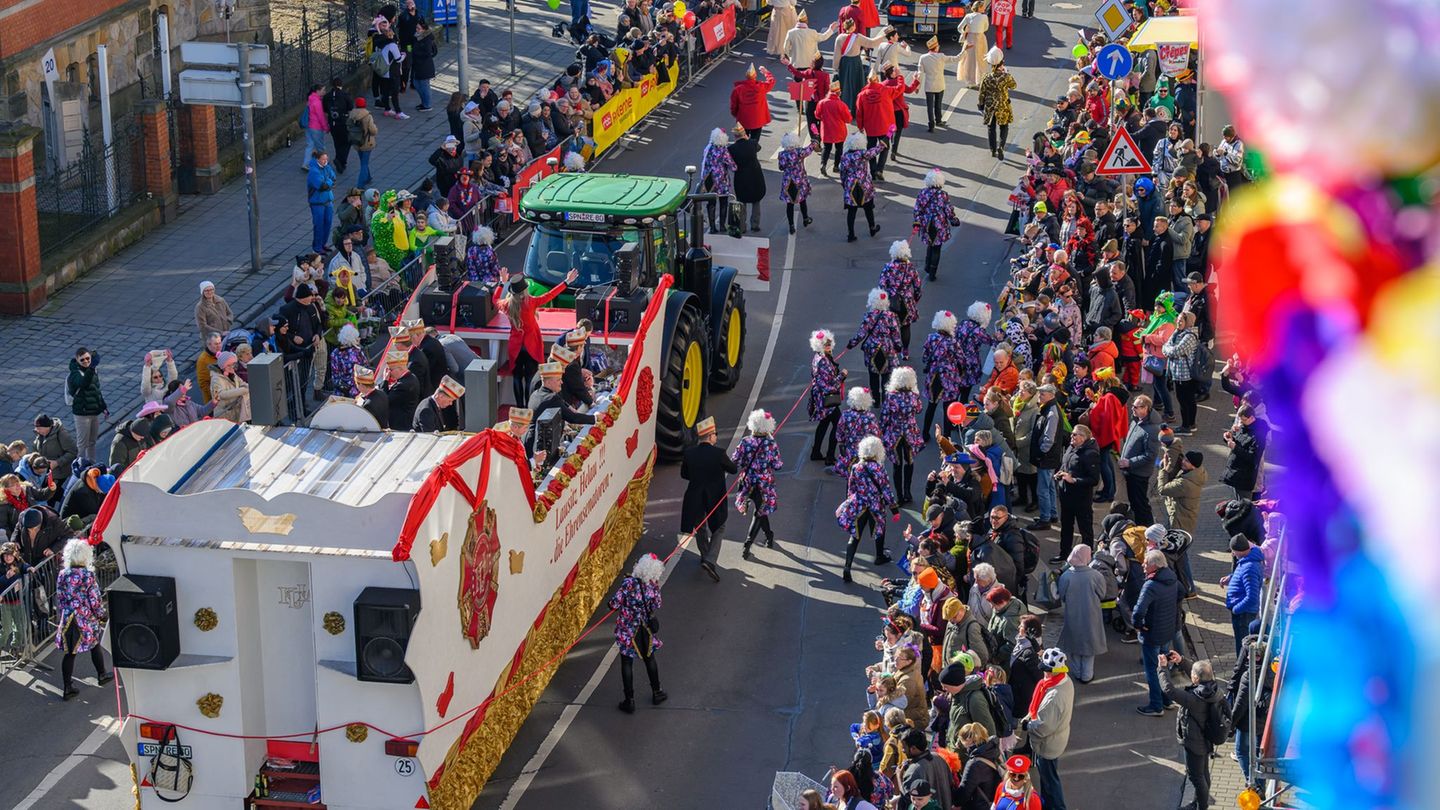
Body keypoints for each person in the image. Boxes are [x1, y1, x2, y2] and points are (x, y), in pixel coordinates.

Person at [496, 268, 580, 406]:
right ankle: (530, 406)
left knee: (517, 377)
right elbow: (551, 294)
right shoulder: (531, 302)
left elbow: (495, 299)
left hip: (515, 346)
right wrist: (566, 281)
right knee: (530, 378)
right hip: (531, 346)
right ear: (525, 290)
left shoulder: (506, 305)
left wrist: (501, 283)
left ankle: (520, 407)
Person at [1159, 653, 1224, 810]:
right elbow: (1198, 675)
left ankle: (1201, 806)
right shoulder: (1213, 688)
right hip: (1206, 738)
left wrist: (1162, 669)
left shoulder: (1194, 699)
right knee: (1203, 772)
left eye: (1193, 675)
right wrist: (1181, 661)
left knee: (1196, 777)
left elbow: (1169, 690)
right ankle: (1201, 802)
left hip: (1194, 742)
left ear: (1196, 679)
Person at [53, 538, 112, 700]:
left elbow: (60, 596)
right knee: (94, 645)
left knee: (70, 653)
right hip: (86, 618)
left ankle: (67, 687)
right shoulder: (88, 575)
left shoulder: (63, 574)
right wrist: (102, 615)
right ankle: (102, 675)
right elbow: (94, 599)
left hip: (68, 617)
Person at [609, 553, 667, 713]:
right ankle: (657, 692)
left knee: (626, 663)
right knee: (650, 659)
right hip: (644, 629)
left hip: (627, 629)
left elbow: (614, 603)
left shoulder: (628, 583)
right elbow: (657, 604)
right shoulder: (653, 586)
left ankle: (629, 700)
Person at [837, 436, 899, 582]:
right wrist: (894, 509)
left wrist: (850, 503)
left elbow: (851, 487)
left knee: (855, 536)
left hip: (859, 505)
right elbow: (886, 490)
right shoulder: (879, 468)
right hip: (875, 506)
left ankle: (847, 566)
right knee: (879, 530)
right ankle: (879, 556)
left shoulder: (856, 467)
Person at [681, 417, 734, 582]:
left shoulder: (689, 453)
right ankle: (710, 560)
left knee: (700, 527)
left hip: (695, 496)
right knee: (719, 527)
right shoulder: (719, 453)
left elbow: (684, 474)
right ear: (710, 436)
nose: (716, 437)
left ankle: (705, 556)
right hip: (715, 497)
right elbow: (732, 469)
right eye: (715, 434)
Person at [1020, 647, 1073, 810]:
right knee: (1049, 778)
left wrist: (1027, 725)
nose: (1044, 674)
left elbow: (1043, 727)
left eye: (1047, 671)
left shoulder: (1053, 696)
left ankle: (1057, 807)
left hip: (1048, 743)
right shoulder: (1064, 681)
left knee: (1050, 781)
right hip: (1057, 738)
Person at [1134, 549, 1181, 716]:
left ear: (1154, 566)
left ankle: (1156, 705)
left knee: (1152, 670)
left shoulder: (1151, 585)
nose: (1143, 565)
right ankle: (1166, 699)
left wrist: (1138, 625)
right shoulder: (1172, 579)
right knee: (1163, 667)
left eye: (1146, 563)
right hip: (1166, 631)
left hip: (1152, 633)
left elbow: (1139, 611)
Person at [733, 410, 783, 558]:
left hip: (749, 482)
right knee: (760, 511)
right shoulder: (770, 443)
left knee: (761, 511)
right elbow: (778, 465)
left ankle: (769, 535)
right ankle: (749, 542)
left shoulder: (745, 441)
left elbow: (736, 460)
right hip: (764, 484)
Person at [1056, 544, 1106, 683]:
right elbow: (1102, 594)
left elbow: (1062, 596)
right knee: (1089, 647)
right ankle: (1087, 675)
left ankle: (1077, 672)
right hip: (1092, 615)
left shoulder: (1066, 576)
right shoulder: (1096, 575)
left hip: (1072, 614)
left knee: (1074, 646)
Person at [1055, 424, 1100, 560]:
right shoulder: (1072, 447)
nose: (1071, 437)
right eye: (1072, 434)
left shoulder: (1090, 454)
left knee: (1085, 529)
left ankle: (1087, 558)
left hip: (1081, 499)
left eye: (1074, 434)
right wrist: (1060, 473)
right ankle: (1064, 554)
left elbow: (1093, 479)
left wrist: (1074, 480)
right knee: (1066, 527)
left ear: (1083, 437)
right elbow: (1065, 464)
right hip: (1066, 496)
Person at [848, 288, 904, 398]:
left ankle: (876, 399)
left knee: (873, 375)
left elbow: (861, 333)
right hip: (887, 347)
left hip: (872, 348)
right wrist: (898, 346)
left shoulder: (868, 316)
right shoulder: (891, 316)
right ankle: (885, 398)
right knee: (886, 375)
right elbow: (896, 334)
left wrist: (851, 344)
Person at [881, 367, 923, 505]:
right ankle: (907, 492)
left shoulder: (891, 396)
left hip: (894, 433)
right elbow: (919, 409)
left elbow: (885, 416)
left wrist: (881, 432)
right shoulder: (914, 396)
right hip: (910, 433)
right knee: (909, 462)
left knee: (897, 464)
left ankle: (899, 495)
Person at [1118, 394, 1160, 526]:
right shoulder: (1136, 421)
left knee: (1140, 504)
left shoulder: (1152, 430)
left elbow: (1150, 455)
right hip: (1131, 471)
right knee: (1135, 502)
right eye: (1133, 406)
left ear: (1145, 408)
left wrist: (1130, 462)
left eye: (1136, 407)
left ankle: (1146, 529)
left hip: (1139, 474)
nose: (1133, 409)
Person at [912, 169, 960, 282]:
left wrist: (917, 221)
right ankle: (932, 272)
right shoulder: (943, 195)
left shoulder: (923, 193)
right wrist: (953, 219)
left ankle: (927, 265)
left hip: (926, 224)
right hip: (939, 225)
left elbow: (917, 209)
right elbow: (948, 210)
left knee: (930, 244)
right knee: (937, 248)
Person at [1027, 384, 1063, 531]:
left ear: (1051, 395)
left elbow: (1049, 438)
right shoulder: (1049, 408)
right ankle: (1052, 514)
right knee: (1049, 487)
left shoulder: (1052, 412)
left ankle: (1045, 519)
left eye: (1042, 394)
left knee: (1043, 489)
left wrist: (1041, 453)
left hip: (1047, 458)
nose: (1040, 397)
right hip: (1050, 457)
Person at [808, 330, 847, 465]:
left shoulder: (819, 357)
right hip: (827, 400)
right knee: (838, 424)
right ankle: (830, 456)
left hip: (820, 399)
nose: (829, 346)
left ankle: (816, 452)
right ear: (820, 345)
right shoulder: (823, 361)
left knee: (824, 424)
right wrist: (841, 376)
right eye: (826, 344)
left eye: (829, 343)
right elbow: (827, 386)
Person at [878, 241, 922, 356]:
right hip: (907, 302)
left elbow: (881, 285)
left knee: (891, 326)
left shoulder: (888, 267)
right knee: (906, 326)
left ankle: (893, 351)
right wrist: (915, 298)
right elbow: (917, 286)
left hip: (891, 301)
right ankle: (905, 351)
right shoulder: (911, 268)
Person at [840, 133, 885, 242]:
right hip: (864, 184)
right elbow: (874, 152)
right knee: (868, 209)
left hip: (851, 185)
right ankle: (872, 228)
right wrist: (882, 145)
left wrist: (844, 184)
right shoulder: (863, 154)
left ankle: (851, 234)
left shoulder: (845, 157)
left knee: (851, 212)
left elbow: (842, 173)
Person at [1224, 535, 1264, 657]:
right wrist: (1231, 578)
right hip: (1242, 612)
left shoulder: (1249, 567)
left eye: (1233, 551)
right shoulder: (1247, 561)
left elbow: (1252, 597)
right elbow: (1243, 577)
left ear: (1239, 550)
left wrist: (1236, 609)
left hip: (1243, 614)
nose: (1232, 553)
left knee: (1242, 647)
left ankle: (1241, 671)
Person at [67, 348, 108, 463]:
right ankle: (79, 467)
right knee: (82, 443)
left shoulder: (93, 371)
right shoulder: (75, 373)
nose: (86, 361)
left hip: (94, 412)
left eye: (88, 358)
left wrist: (103, 407)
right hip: (82, 414)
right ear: (77, 360)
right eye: (82, 359)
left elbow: (96, 391)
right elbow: (83, 383)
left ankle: (91, 463)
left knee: (92, 441)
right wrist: (91, 368)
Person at [1222, 405, 1269, 500]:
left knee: (1244, 505)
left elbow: (1253, 458)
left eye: (1243, 420)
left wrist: (1235, 447)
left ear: (1251, 418)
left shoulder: (1258, 436)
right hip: (1235, 473)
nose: (1240, 422)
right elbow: (1240, 441)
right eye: (1240, 420)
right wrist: (1229, 437)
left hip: (1245, 478)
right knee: (1237, 502)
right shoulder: (1244, 426)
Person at [898, 728, 954, 809]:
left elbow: (908, 800)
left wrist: (899, 777)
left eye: (904, 747)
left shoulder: (913, 770)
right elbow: (951, 784)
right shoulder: (939, 757)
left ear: (913, 748)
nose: (903, 750)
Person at [915, 36, 961, 132]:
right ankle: (939, 120)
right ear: (936, 47)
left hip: (929, 86)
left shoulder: (922, 58)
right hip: (940, 85)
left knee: (929, 106)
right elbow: (956, 58)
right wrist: (965, 50)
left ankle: (931, 125)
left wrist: (917, 87)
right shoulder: (941, 56)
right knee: (938, 104)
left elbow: (920, 74)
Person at [1158, 447, 1207, 537]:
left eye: (1187, 461)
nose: (1183, 461)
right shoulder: (1198, 472)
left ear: (1193, 466)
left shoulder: (1184, 484)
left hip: (1179, 520)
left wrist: (1164, 470)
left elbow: (1162, 490)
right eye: (1184, 458)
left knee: (1176, 546)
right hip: (1186, 518)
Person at [978, 47, 1015, 159]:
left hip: (990, 106)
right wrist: (1006, 73)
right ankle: (1001, 147)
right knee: (1004, 126)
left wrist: (980, 105)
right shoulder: (1006, 76)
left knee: (991, 127)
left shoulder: (986, 77)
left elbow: (982, 92)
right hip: (1002, 105)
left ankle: (993, 149)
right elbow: (1013, 85)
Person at [699, 127, 738, 233]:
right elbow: (732, 165)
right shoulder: (723, 150)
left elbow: (705, 163)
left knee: (711, 203)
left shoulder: (708, 148)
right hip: (722, 181)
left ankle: (712, 227)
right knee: (723, 203)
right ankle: (722, 226)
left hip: (710, 180)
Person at [777, 131, 816, 234]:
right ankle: (805, 218)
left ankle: (791, 225)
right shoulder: (799, 152)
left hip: (788, 182)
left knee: (789, 204)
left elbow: (781, 167)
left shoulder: (782, 155)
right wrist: (814, 141)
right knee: (802, 201)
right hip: (800, 181)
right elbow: (809, 150)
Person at [729, 126, 766, 232]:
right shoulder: (752, 143)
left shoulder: (732, 149)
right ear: (744, 134)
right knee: (756, 201)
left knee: (742, 202)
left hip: (741, 178)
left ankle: (742, 225)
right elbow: (759, 148)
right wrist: (748, 138)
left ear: (735, 136)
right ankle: (755, 224)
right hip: (755, 176)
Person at [815, 80, 853, 176]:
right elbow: (848, 119)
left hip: (826, 130)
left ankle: (823, 164)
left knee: (826, 148)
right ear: (838, 93)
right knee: (839, 149)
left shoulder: (821, 103)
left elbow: (817, 115)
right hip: (839, 130)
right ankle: (836, 166)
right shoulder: (841, 105)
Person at [729, 64, 776, 141]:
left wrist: (736, 115)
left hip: (743, 119)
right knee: (754, 142)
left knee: (742, 141)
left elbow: (733, 105)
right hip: (758, 120)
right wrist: (766, 72)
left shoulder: (738, 89)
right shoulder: (761, 86)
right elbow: (771, 81)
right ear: (755, 76)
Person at [31, 415, 77, 489]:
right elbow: (35, 448)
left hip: (59, 472)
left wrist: (57, 462)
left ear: (47, 427)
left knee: (51, 494)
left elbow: (73, 452)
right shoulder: (40, 434)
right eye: (36, 428)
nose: (37, 430)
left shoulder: (62, 434)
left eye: (39, 428)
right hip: (45, 471)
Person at [306, 150, 337, 254]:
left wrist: (328, 181)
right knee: (319, 225)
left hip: (327, 200)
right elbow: (321, 186)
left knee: (327, 223)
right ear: (318, 159)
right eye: (323, 159)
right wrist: (329, 181)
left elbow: (334, 177)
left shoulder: (326, 167)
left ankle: (323, 244)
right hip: (317, 202)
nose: (325, 161)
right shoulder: (313, 171)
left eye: (326, 159)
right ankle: (317, 247)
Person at [383, 349, 421, 429]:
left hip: (401, 425)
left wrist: (385, 381)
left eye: (391, 369)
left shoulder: (402, 385)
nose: (389, 372)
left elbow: (384, 400)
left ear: (400, 368)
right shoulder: (412, 377)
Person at [955, 1, 990, 87]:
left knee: (969, 61)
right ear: (979, 8)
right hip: (980, 39)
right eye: (983, 7)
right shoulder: (984, 17)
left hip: (970, 39)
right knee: (981, 60)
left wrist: (965, 32)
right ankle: (980, 80)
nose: (984, 8)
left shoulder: (968, 16)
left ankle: (970, 81)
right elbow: (986, 28)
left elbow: (959, 28)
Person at [347, 97, 378, 187]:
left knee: (363, 161)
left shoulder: (352, 115)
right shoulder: (367, 116)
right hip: (367, 142)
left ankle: (368, 177)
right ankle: (360, 185)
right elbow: (373, 131)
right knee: (364, 164)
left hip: (356, 141)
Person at [195, 281, 233, 348]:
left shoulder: (220, 300)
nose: (209, 292)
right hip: (211, 339)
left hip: (225, 334)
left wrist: (227, 322)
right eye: (206, 290)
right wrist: (220, 332)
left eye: (211, 289)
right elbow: (202, 326)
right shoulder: (200, 307)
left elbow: (229, 313)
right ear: (202, 292)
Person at [302, 84, 329, 169]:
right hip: (316, 127)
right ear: (318, 91)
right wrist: (326, 127)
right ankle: (323, 163)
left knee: (309, 145)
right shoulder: (317, 102)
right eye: (323, 90)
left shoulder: (310, 99)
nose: (325, 92)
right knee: (320, 146)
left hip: (309, 126)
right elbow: (320, 116)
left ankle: (306, 164)